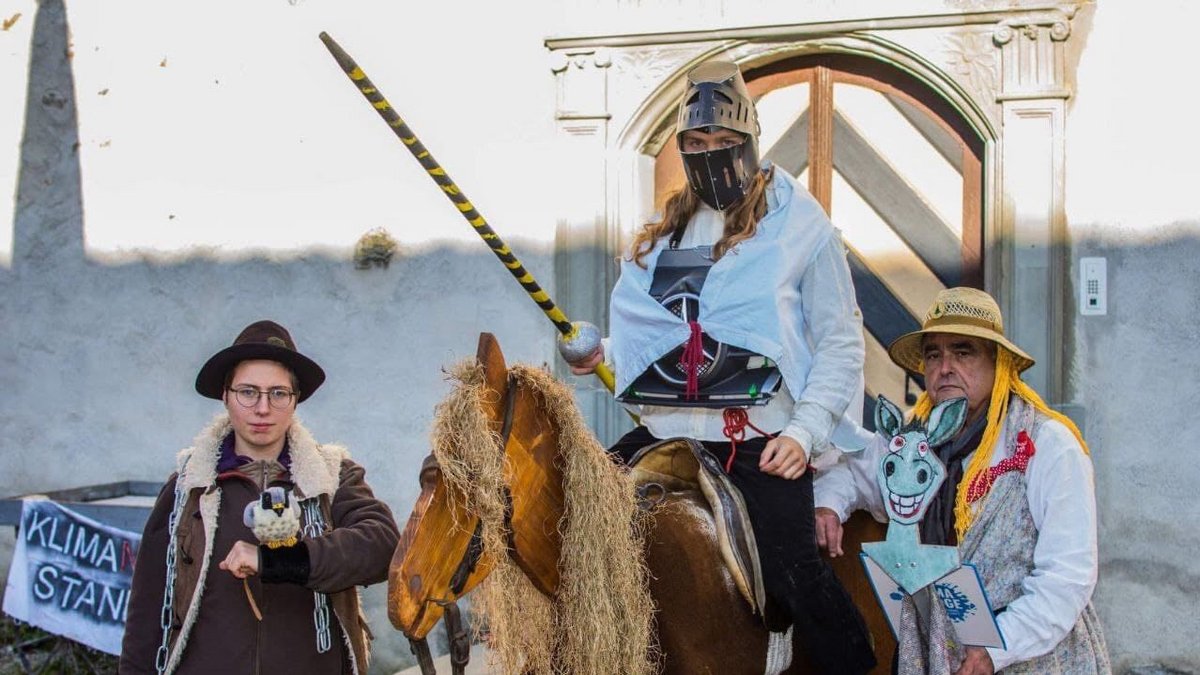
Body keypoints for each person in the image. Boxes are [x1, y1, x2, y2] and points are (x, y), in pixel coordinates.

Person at [564, 60, 876, 673]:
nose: (711, 154)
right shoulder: (661, 239)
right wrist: (605, 354)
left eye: (725, 142)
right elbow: (658, 337)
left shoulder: (801, 228)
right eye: (697, 143)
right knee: (574, 525)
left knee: (796, 573)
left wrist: (804, 431)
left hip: (758, 443)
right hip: (665, 434)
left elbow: (841, 342)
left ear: (750, 142)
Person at [814, 287, 1111, 674]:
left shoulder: (1047, 443)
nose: (945, 367)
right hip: (940, 652)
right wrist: (828, 505)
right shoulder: (912, 439)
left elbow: (1067, 576)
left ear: (997, 361)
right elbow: (854, 474)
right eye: (933, 354)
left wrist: (996, 647)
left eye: (963, 351)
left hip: (1034, 656)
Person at [119, 320, 400, 675]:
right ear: (226, 396)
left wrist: (279, 561)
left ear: (294, 401)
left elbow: (382, 545)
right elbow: (146, 613)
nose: (263, 408)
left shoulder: (333, 476)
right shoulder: (188, 488)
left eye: (278, 393)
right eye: (248, 392)